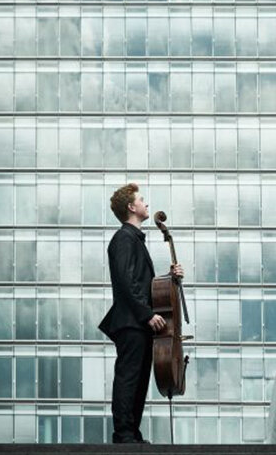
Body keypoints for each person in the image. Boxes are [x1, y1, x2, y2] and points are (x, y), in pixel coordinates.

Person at [98, 182, 184, 444]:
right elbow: (125, 282)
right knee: (129, 377)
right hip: (132, 322)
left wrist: (170, 278)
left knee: (139, 381)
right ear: (131, 207)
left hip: (139, 322)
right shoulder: (123, 239)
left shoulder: (133, 239)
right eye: (142, 199)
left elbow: (144, 285)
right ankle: (123, 434)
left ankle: (131, 433)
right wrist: (147, 314)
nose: (146, 203)